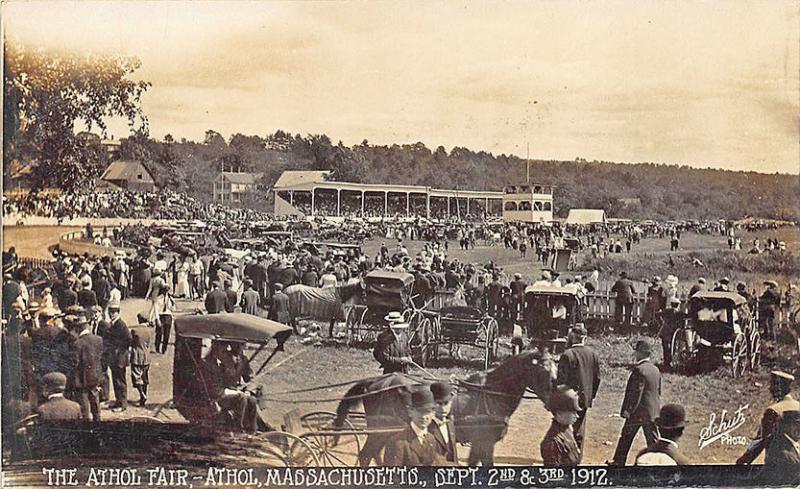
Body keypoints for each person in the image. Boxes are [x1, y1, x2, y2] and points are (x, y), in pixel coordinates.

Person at [610, 340, 661, 465]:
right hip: (652, 412)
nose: (635, 354)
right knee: (653, 440)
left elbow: (635, 394)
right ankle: (660, 463)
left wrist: (628, 410)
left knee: (626, 437)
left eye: (636, 352)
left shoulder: (639, 370)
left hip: (638, 413)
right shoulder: (655, 370)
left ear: (640, 353)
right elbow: (658, 391)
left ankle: (618, 462)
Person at [556, 324, 600, 459]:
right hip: (584, 397)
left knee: (565, 427)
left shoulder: (567, 354)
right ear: (585, 338)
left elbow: (561, 381)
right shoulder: (593, 354)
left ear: (572, 337)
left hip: (569, 399)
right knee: (579, 429)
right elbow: (597, 378)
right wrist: (590, 396)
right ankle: (577, 458)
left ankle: (565, 456)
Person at [737, 371, 799, 464]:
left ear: (779, 388)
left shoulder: (773, 410)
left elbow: (761, 440)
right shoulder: (798, 406)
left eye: (773, 385)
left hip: (779, 462)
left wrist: (743, 461)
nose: (770, 389)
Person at [384, 387, 445, 466]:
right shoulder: (397, 442)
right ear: (410, 412)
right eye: (420, 411)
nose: (423, 416)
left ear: (433, 414)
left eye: (427, 412)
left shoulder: (431, 439)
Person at [70, 315, 103, 421]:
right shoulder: (98, 339)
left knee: (84, 407)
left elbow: (75, 363)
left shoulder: (77, 343)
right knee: (95, 403)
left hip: (82, 379)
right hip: (95, 376)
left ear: (77, 328)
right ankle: (98, 422)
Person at [540, 386, 582, 466]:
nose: (577, 416)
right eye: (572, 412)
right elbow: (555, 476)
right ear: (559, 413)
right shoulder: (552, 443)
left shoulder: (567, 428)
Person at [106, 302, 131, 412]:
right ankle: (118, 401)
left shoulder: (121, 324)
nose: (111, 314)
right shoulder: (113, 323)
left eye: (114, 312)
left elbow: (129, 339)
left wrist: (119, 348)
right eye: (110, 312)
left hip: (120, 357)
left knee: (121, 381)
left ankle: (123, 404)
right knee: (115, 380)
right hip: (114, 357)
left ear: (118, 313)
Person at [762, 410, 800, 477]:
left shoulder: (794, 444)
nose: (799, 428)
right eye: (796, 424)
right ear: (785, 426)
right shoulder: (782, 451)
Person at [429, 382, 458, 464]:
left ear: (451, 403)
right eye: (438, 403)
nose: (443, 408)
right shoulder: (427, 427)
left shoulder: (450, 424)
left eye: (446, 403)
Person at [130, 316, 152, 407]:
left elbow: (131, 342)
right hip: (146, 356)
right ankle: (143, 399)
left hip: (136, 356)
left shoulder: (135, 330)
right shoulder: (149, 331)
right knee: (145, 377)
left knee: (136, 377)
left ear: (139, 320)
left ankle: (142, 394)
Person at [658, 298, 684, 370]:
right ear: (678, 305)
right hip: (673, 332)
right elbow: (683, 321)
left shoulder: (666, 311)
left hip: (665, 331)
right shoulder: (679, 313)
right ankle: (671, 360)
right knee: (673, 347)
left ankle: (667, 362)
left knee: (665, 347)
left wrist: (662, 322)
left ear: (671, 304)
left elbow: (657, 314)